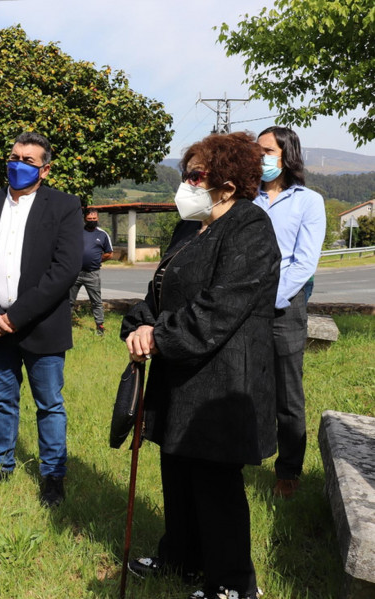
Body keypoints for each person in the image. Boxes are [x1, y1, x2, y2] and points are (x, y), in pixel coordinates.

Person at [121, 132, 280, 599]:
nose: (185, 186)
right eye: (185, 175)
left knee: (214, 483)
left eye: (195, 176)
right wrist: (138, 324)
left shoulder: (249, 227)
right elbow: (160, 290)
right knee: (178, 470)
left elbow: (220, 307)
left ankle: (231, 583)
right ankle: (182, 557)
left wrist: (159, 335)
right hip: (179, 373)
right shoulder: (192, 228)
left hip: (221, 378)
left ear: (227, 185)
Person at [0, 132, 83, 508]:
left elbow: (65, 269)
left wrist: (17, 315)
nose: (18, 164)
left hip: (42, 324)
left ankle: (52, 476)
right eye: (14, 156)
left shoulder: (64, 206)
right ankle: (0, 466)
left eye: (28, 160)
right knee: (1, 401)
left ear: (44, 169)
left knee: (49, 403)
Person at [254, 126, 327, 499]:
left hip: (284, 306)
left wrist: (270, 299)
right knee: (244, 385)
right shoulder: (244, 198)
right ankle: (242, 457)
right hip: (242, 306)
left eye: (267, 151)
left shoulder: (308, 202)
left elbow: (303, 263)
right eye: (257, 150)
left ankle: (288, 472)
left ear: (287, 155)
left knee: (287, 394)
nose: (260, 156)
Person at [69, 207, 113, 335]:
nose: (92, 221)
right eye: (89, 219)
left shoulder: (102, 234)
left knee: (96, 302)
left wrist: (97, 260)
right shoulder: (77, 232)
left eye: (94, 219)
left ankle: (100, 327)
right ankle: (65, 326)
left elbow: (109, 253)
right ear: (84, 219)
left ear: (97, 218)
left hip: (92, 274)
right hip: (75, 273)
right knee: (69, 301)